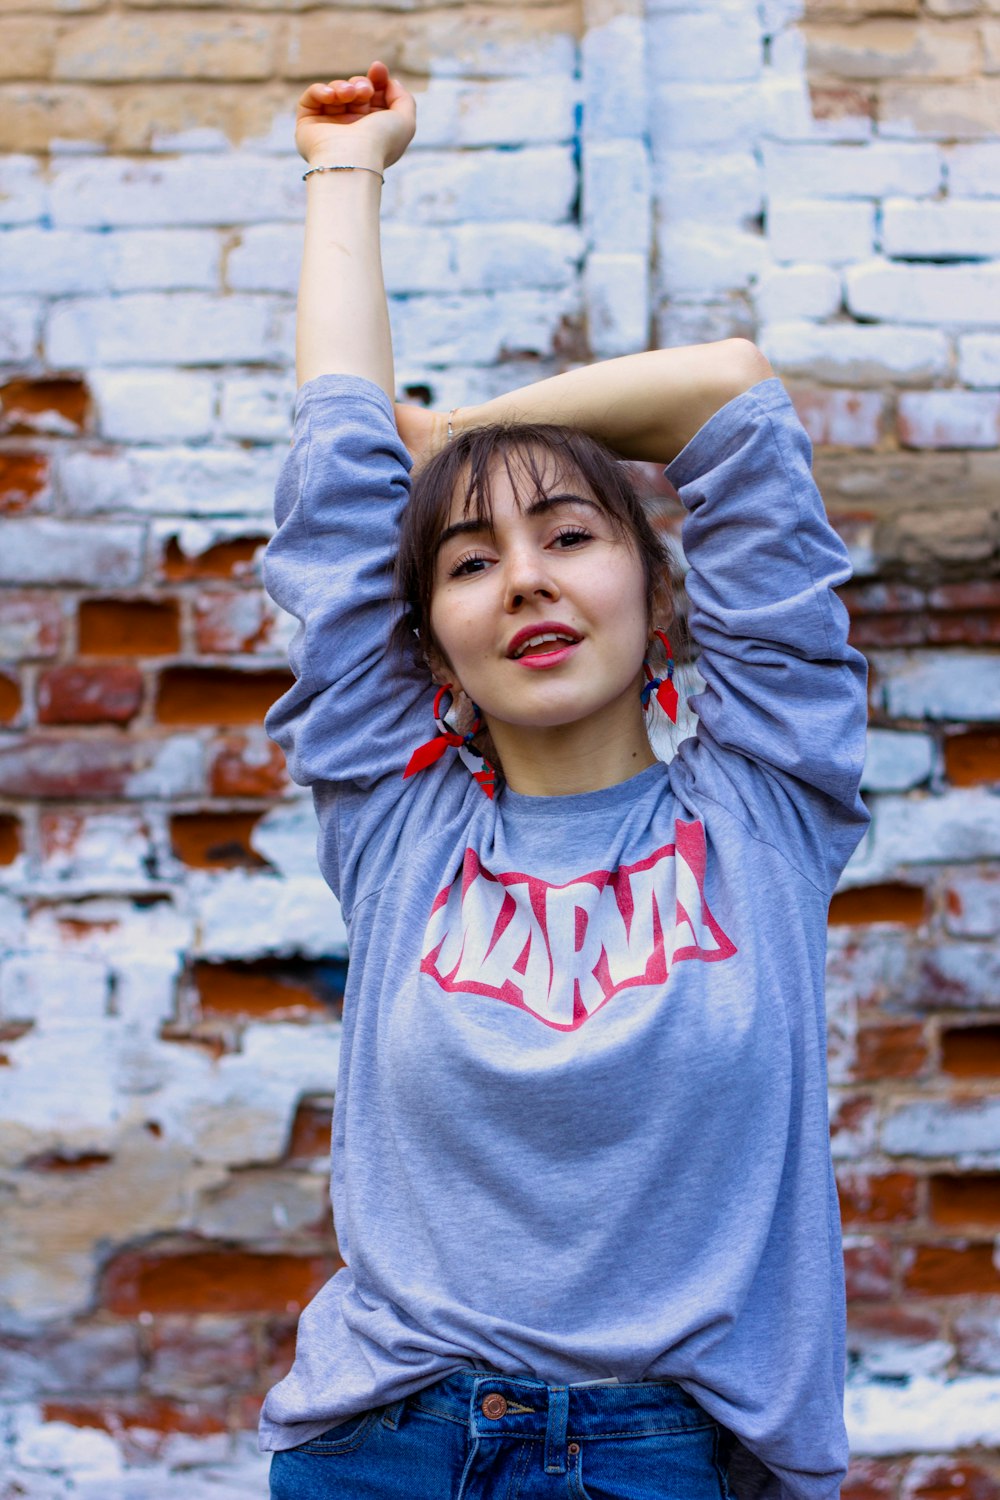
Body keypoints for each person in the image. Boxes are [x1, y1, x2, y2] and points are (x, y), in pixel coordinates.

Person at [259, 59, 870, 1500]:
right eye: (470, 562)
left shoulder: (765, 804)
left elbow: (729, 394)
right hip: (387, 1448)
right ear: (434, 646)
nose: (522, 579)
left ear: (663, 601)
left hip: (671, 1460)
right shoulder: (400, 818)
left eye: (568, 536)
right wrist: (345, 170)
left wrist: (461, 443)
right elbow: (334, 477)